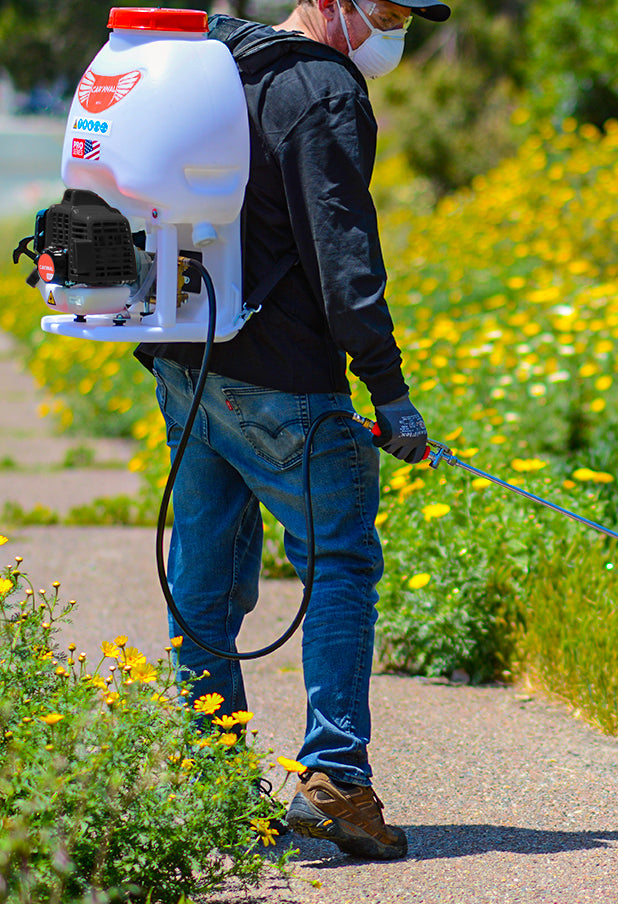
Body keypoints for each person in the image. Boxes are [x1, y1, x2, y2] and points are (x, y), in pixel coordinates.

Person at [134, 0, 451, 861]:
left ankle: (217, 782)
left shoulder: (213, 61)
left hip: (189, 363)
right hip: (281, 383)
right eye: (384, 11)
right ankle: (338, 779)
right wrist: (390, 395)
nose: (395, 30)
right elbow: (344, 259)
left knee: (203, 579)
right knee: (340, 557)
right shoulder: (320, 90)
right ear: (330, 2)